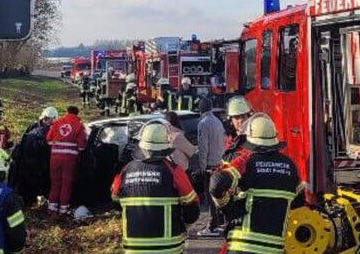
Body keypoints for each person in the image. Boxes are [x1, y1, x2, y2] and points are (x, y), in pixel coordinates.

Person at [210, 114, 304, 254]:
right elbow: (299, 202)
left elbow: (216, 183)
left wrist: (227, 207)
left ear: (251, 139)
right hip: (274, 248)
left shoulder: (246, 161)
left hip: (242, 246)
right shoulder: (290, 166)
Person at [111, 121, 199, 252]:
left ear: (142, 147)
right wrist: (182, 226)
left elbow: (115, 202)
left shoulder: (126, 171)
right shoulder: (174, 171)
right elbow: (193, 207)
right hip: (169, 248)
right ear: (165, 148)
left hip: (134, 248)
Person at [9, 107, 57, 205]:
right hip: (37, 162)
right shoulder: (45, 130)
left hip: (30, 161)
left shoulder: (33, 128)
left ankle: (31, 200)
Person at [45, 105, 87, 215]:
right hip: (70, 159)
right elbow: (82, 147)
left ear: (67, 112)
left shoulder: (57, 122)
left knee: (55, 183)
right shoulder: (79, 125)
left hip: (55, 158)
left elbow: (49, 140)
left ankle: (51, 209)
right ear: (77, 114)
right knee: (66, 184)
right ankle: (63, 211)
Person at [196, 97, 226, 237]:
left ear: (201, 108)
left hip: (209, 165)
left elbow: (203, 147)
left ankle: (212, 225)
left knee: (210, 196)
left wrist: (202, 167)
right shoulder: (218, 122)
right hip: (219, 163)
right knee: (218, 196)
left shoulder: (203, 123)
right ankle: (218, 222)